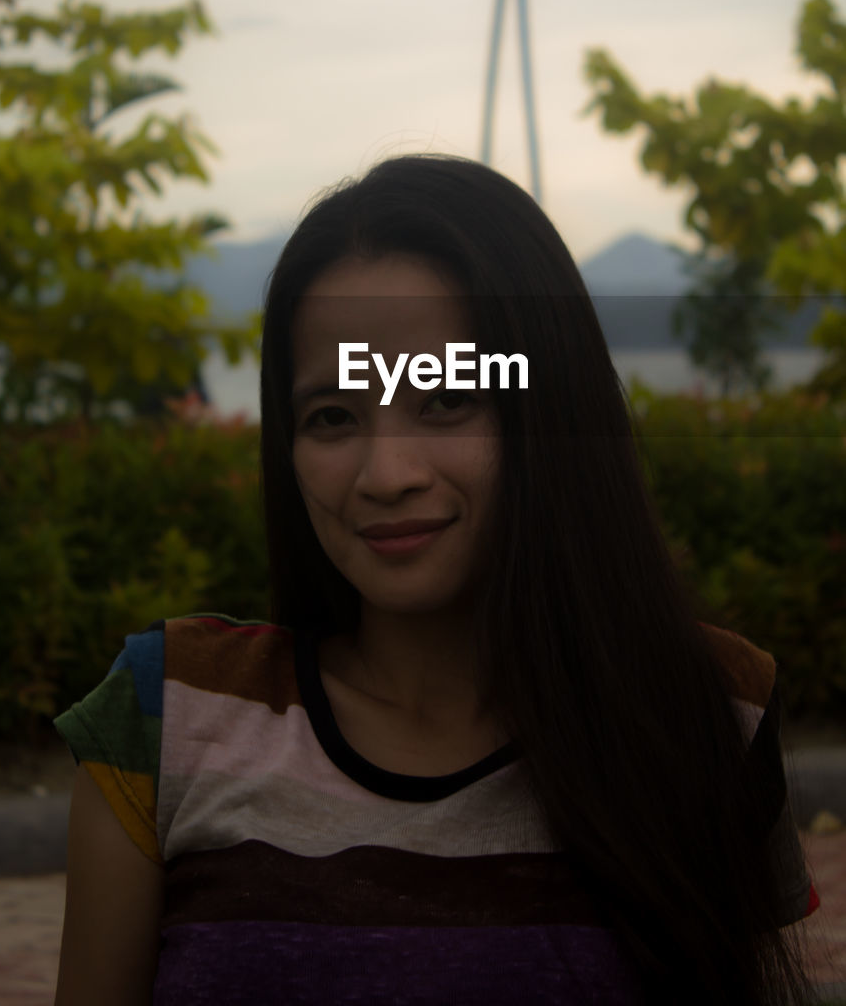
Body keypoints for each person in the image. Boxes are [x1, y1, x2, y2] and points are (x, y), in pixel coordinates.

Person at [53, 152, 819, 1005]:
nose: (386, 474)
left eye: (446, 399)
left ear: (549, 409)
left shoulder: (706, 712)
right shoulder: (169, 718)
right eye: (333, 416)